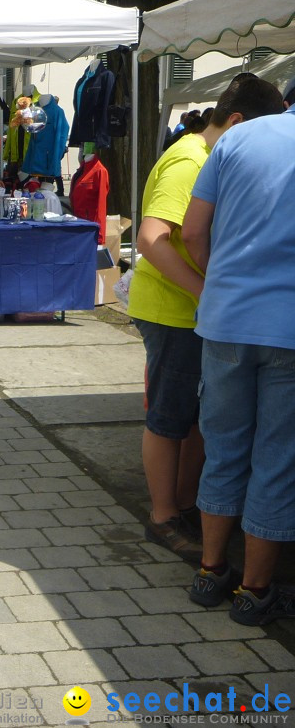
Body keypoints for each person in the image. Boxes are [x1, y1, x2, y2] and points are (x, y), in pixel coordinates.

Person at [127, 78, 282, 561]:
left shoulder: (203, 154)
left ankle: (188, 504)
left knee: (196, 418)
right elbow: (152, 239)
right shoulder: (191, 159)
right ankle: (163, 516)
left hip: (194, 311)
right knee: (169, 417)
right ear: (236, 123)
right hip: (174, 311)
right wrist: (206, 290)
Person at [181, 81, 292, 626]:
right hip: (289, 330)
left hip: (226, 321)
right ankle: (254, 591)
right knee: (277, 458)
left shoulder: (237, 138)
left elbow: (193, 231)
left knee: (224, 447)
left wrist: (221, 282)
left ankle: (209, 570)